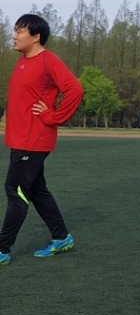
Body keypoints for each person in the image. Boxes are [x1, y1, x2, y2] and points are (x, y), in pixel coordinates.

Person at [0, 14, 83, 265]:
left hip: (33, 140)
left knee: (15, 190)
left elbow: (75, 89)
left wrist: (53, 116)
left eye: (20, 31)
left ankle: (2, 249)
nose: (14, 36)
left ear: (36, 36)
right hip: (21, 139)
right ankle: (61, 237)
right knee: (37, 190)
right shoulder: (22, 61)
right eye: (14, 30)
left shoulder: (48, 61)